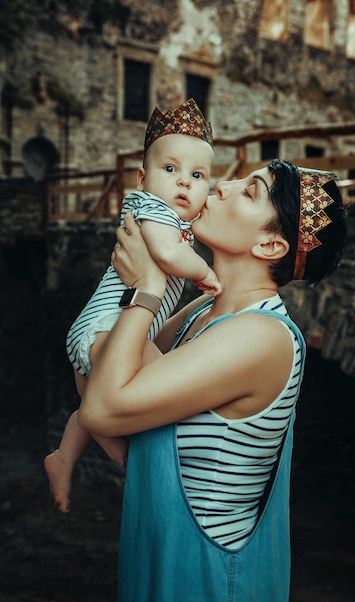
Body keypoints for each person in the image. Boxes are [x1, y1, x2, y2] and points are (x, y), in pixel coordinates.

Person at [78, 156, 347, 602]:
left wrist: (147, 288)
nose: (222, 186)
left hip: (206, 593)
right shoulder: (204, 309)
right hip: (155, 568)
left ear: (269, 244)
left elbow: (102, 409)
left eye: (250, 191)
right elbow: (102, 372)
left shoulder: (262, 336)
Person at [44, 99, 221, 513]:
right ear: (142, 178)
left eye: (197, 176)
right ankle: (127, 453)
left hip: (107, 330)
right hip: (107, 327)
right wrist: (207, 275)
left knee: (93, 412)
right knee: (160, 374)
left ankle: (63, 458)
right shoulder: (152, 211)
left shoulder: (175, 221)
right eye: (170, 169)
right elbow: (167, 253)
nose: (183, 183)